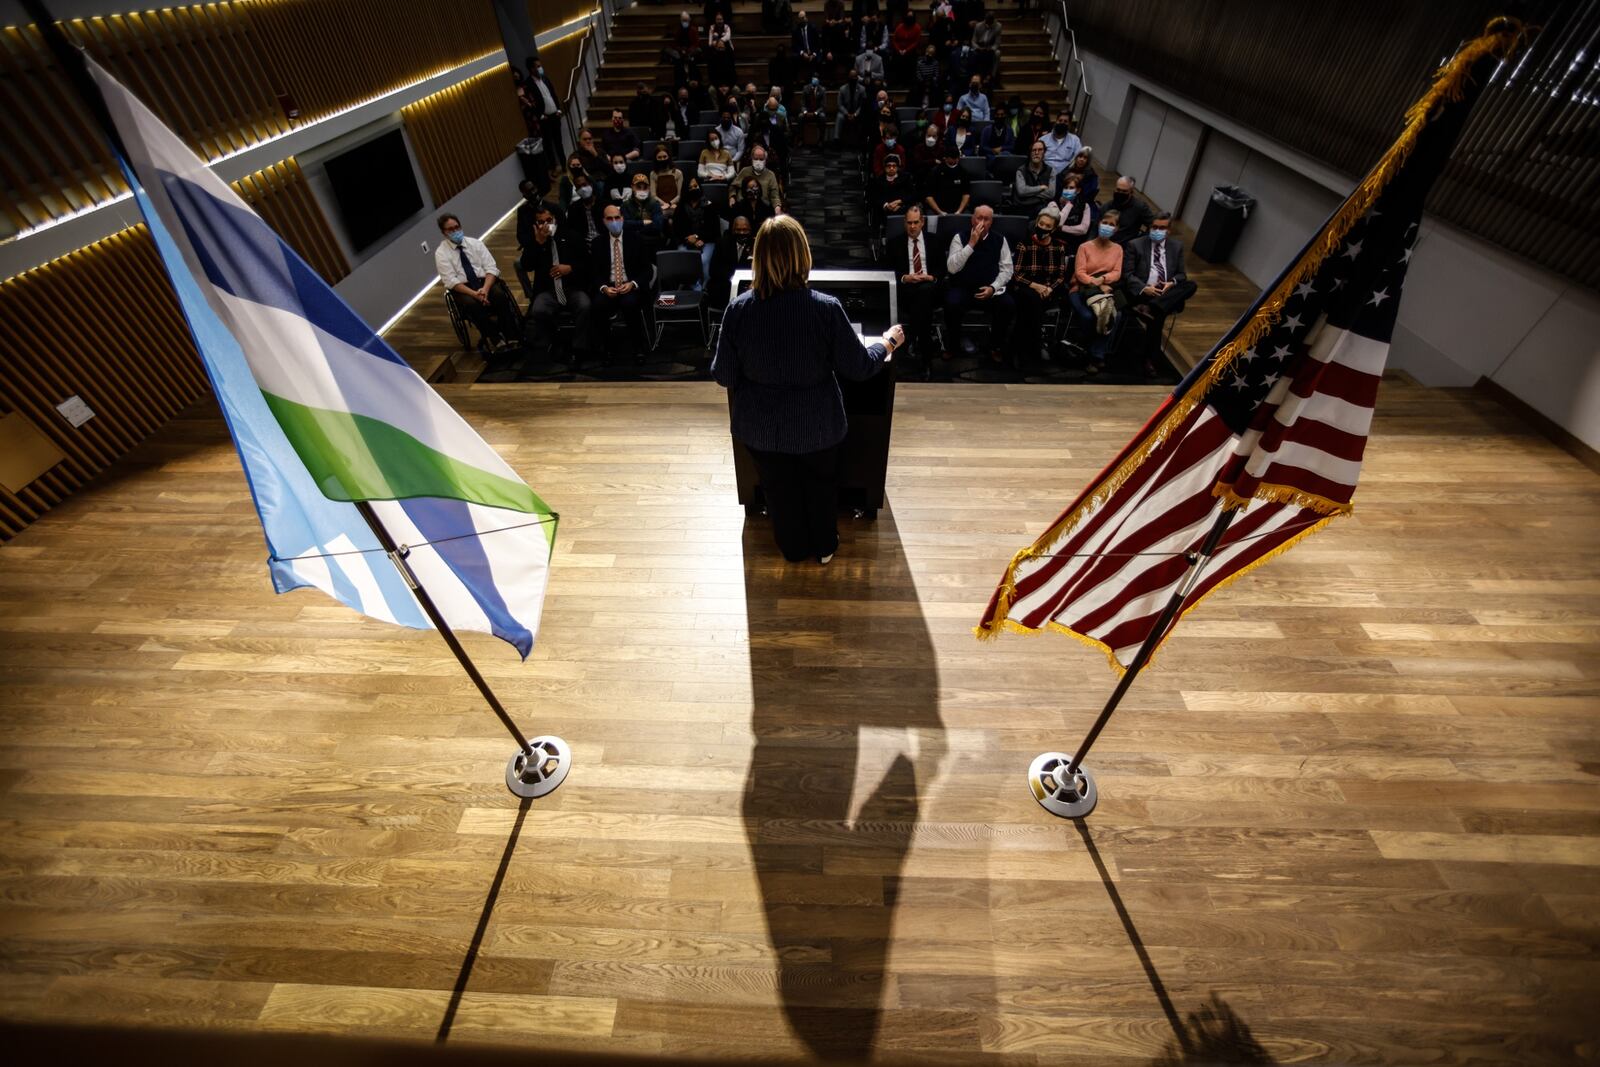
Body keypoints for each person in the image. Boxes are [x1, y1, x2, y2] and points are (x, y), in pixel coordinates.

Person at [710, 215, 902, 564]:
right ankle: (825, 547)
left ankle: (794, 549)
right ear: (802, 255)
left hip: (761, 427)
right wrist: (886, 344)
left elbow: (723, 374)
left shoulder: (737, 310)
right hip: (818, 424)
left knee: (778, 490)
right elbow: (859, 367)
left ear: (759, 258)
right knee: (821, 486)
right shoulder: (826, 309)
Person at [1120, 210, 1197, 370]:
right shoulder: (1136, 244)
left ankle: (1154, 306)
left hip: (1165, 292)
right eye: (1154, 227)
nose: (1157, 231)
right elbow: (1127, 275)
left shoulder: (1176, 247)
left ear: (1168, 231)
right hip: (1143, 293)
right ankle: (1150, 359)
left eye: (1161, 228)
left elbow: (1182, 274)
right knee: (1158, 317)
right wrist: (1145, 288)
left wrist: (1172, 283)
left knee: (1191, 285)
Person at [434, 213, 520, 350]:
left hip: (484, 282)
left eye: (457, 227)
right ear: (444, 233)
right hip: (463, 288)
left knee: (499, 295)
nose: (455, 231)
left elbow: (491, 267)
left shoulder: (475, 243)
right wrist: (475, 294)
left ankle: (511, 334)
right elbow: (451, 281)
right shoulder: (441, 253)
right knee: (472, 305)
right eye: (450, 230)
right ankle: (495, 337)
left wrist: (485, 289)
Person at [521, 203, 593, 366]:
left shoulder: (572, 236)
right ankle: (554, 339)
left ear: (556, 219)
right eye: (541, 222)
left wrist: (570, 268)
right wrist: (538, 244)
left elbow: (588, 265)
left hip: (572, 287)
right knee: (538, 310)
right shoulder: (535, 241)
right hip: (548, 290)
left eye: (549, 220)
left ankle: (579, 347)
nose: (546, 225)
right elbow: (526, 265)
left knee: (585, 305)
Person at [942, 204, 1014, 362]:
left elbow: (1007, 270)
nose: (982, 222)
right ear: (972, 220)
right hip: (964, 288)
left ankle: (995, 346)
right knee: (951, 303)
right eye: (979, 218)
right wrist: (971, 244)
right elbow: (952, 268)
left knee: (1007, 304)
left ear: (991, 222)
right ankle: (953, 345)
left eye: (986, 219)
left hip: (990, 290)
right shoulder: (959, 237)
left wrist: (993, 288)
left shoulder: (1000, 240)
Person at [589, 204, 654, 361]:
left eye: (617, 217)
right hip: (609, 287)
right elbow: (594, 273)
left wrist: (633, 284)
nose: (614, 221)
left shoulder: (636, 239)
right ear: (604, 221)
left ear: (622, 219)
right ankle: (607, 347)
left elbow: (648, 270)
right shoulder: (598, 243)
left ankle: (638, 346)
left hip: (630, 286)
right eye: (610, 218)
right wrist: (603, 287)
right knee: (598, 305)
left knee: (630, 304)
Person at [1010, 209, 1069, 366]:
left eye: (1047, 225)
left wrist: (1049, 288)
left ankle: (1018, 346)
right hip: (1026, 286)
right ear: (1036, 223)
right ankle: (1036, 345)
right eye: (1040, 223)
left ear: (1054, 229)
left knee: (1029, 308)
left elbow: (1061, 276)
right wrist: (1036, 286)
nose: (1043, 227)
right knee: (1032, 300)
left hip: (1049, 290)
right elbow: (1016, 275)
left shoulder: (1059, 247)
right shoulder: (1024, 244)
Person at [887, 204, 945, 362]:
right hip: (906, 289)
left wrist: (931, 277)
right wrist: (905, 277)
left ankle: (911, 337)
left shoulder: (935, 241)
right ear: (904, 222)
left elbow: (942, 268)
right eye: (909, 223)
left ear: (922, 222)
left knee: (925, 291)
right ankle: (925, 346)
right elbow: (887, 270)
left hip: (931, 287)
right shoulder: (894, 243)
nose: (912, 226)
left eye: (916, 222)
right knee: (922, 299)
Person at [1070, 208, 1123, 369]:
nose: (1107, 226)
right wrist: (1098, 283)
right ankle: (1085, 348)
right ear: (1099, 224)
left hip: (1105, 291)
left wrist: (1103, 279)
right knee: (1088, 316)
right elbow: (1080, 273)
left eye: (1111, 224)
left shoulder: (1118, 249)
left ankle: (1097, 354)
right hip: (1080, 289)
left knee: (1115, 315)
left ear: (1117, 228)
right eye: (1104, 223)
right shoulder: (1085, 247)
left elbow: (1117, 273)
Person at [707, 212, 754, 307]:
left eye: (745, 230)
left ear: (750, 230)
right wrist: (733, 279)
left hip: (748, 286)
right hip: (725, 284)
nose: (741, 233)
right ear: (733, 230)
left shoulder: (756, 245)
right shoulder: (722, 243)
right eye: (738, 230)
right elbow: (714, 270)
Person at [525, 59, 564, 175]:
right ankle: (554, 167)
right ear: (532, 69)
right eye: (538, 66)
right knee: (548, 144)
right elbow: (531, 102)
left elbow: (553, 94)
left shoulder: (545, 79)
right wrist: (540, 116)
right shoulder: (528, 84)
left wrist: (558, 109)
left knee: (559, 142)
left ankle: (564, 164)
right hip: (545, 119)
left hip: (555, 115)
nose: (540, 68)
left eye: (540, 66)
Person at [730, 144, 783, 211]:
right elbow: (733, 186)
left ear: (765, 160)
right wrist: (732, 197)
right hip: (744, 206)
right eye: (756, 159)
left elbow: (774, 195)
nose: (758, 162)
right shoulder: (745, 171)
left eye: (761, 159)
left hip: (763, 208)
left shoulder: (770, 175)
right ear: (752, 159)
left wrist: (777, 206)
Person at [1053, 171, 1095, 256]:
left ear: (1078, 190)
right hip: (1056, 241)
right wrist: (1068, 205)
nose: (1068, 190)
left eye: (1071, 188)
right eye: (1066, 187)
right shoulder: (1054, 203)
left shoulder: (1085, 206)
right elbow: (1058, 223)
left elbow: (1083, 229)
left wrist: (1062, 228)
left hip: (1074, 243)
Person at [924, 145, 972, 218]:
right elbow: (929, 196)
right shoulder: (935, 171)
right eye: (951, 159)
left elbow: (966, 194)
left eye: (955, 159)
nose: (953, 161)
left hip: (958, 209)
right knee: (930, 216)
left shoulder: (963, 172)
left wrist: (959, 211)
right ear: (945, 158)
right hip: (938, 209)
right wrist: (939, 211)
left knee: (967, 215)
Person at [1105, 175, 1153, 244]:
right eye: (1118, 190)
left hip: (1126, 248)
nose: (1120, 193)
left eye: (1124, 191)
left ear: (1131, 192)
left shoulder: (1139, 207)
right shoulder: (1107, 206)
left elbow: (1153, 224)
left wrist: (1140, 241)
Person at [1013, 139, 1055, 213]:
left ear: (1044, 152)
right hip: (1023, 207)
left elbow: (1051, 194)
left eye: (1040, 150)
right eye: (1034, 150)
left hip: (1041, 208)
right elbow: (1022, 191)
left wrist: (1029, 191)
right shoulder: (1021, 170)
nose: (1036, 153)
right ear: (1030, 153)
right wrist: (1041, 187)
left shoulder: (1051, 171)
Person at [622, 172, 667, 237]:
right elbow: (624, 224)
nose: (642, 190)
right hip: (632, 241)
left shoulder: (655, 204)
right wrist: (643, 222)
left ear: (649, 188)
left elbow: (657, 226)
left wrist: (636, 228)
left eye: (645, 187)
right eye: (638, 187)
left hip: (651, 240)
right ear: (632, 187)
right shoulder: (625, 205)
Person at [870, 153, 915, 217]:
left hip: (903, 207)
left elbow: (912, 195)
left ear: (897, 167)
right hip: (884, 210)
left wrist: (899, 202)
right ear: (884, 167)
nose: (891, 168)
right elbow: (875, 197)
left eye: (894, 166)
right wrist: (886, 205)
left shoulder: (906, 177)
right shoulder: (879, 180)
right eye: (889, 166)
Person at [1040, 109, 1082, 174]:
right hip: (1045, 173)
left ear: (1069, 124)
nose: (1062, 123)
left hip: (1065, 175)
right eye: (1060, 121)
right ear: (1056, 121)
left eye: (1065, 121)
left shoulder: (1075, 140)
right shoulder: (1043, 139)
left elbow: (1078, 159)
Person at [835, 68, 868, 144]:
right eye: (851, 77)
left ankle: (862, 140)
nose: (853, 79)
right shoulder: (842, 89)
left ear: (857, 78)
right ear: (848, 78)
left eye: (854, 77)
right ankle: (836, 139)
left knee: (864, 116)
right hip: (846, 112)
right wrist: (847, 114)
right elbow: (839, 105)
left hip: (857, 113)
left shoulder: (862, 89)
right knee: (839, 116)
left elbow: (863, 105)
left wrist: (855, 114)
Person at [890, 10, 922, 85]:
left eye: (911, 16)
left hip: (910, 51)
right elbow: (894, 40)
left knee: (910, 60)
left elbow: (916, 42)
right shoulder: (900, 26)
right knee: (896, 60)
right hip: (899, 50)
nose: (909, 18)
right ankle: (897, 82)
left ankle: (908, 82)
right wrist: (899, 50)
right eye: (908, 16)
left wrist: (906, 50)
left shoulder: (917, 27)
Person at [970, 11, 1002, 80]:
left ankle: (993, 76)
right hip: (980, 47)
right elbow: (973, 41)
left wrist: (992, 49)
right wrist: (978, 48)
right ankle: (975, 75)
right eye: (986, 22)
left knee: (997, 53)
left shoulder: (998, 26)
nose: (988, 25)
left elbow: (997, 42)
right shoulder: (978, 25)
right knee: (972, 53)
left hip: (990, 47)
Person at [706, 11, 735, 84]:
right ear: (715, 20)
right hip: (715, 47)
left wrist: (721, 40)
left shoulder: (727, 27)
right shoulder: (712, 27)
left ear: (723, 20)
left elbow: (728, 37)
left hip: (726, 46)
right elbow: (710, 41)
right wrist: (713, 43)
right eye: (718, 19)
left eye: (721, 19)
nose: (719, 21)